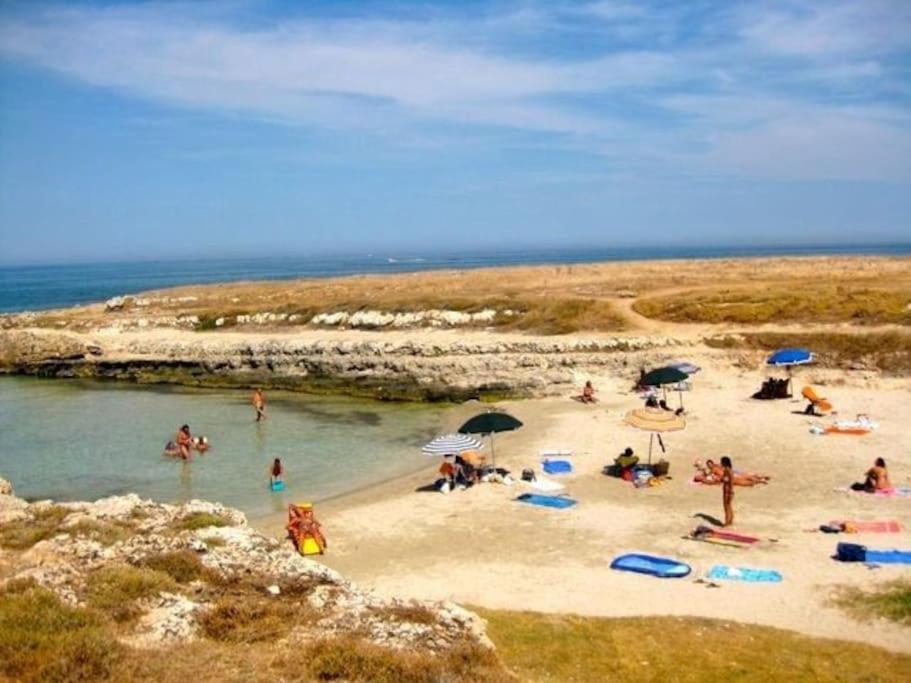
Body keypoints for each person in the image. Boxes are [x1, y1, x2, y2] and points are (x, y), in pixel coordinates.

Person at [721, 456, 734, 527]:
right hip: (726, 489)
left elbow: (731, 480)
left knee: (726, 506)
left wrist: (731, 491)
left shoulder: (728, 470)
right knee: (729, 505)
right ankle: (730, 520)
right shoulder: (726, 470)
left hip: (727, 490)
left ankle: (727, 522)